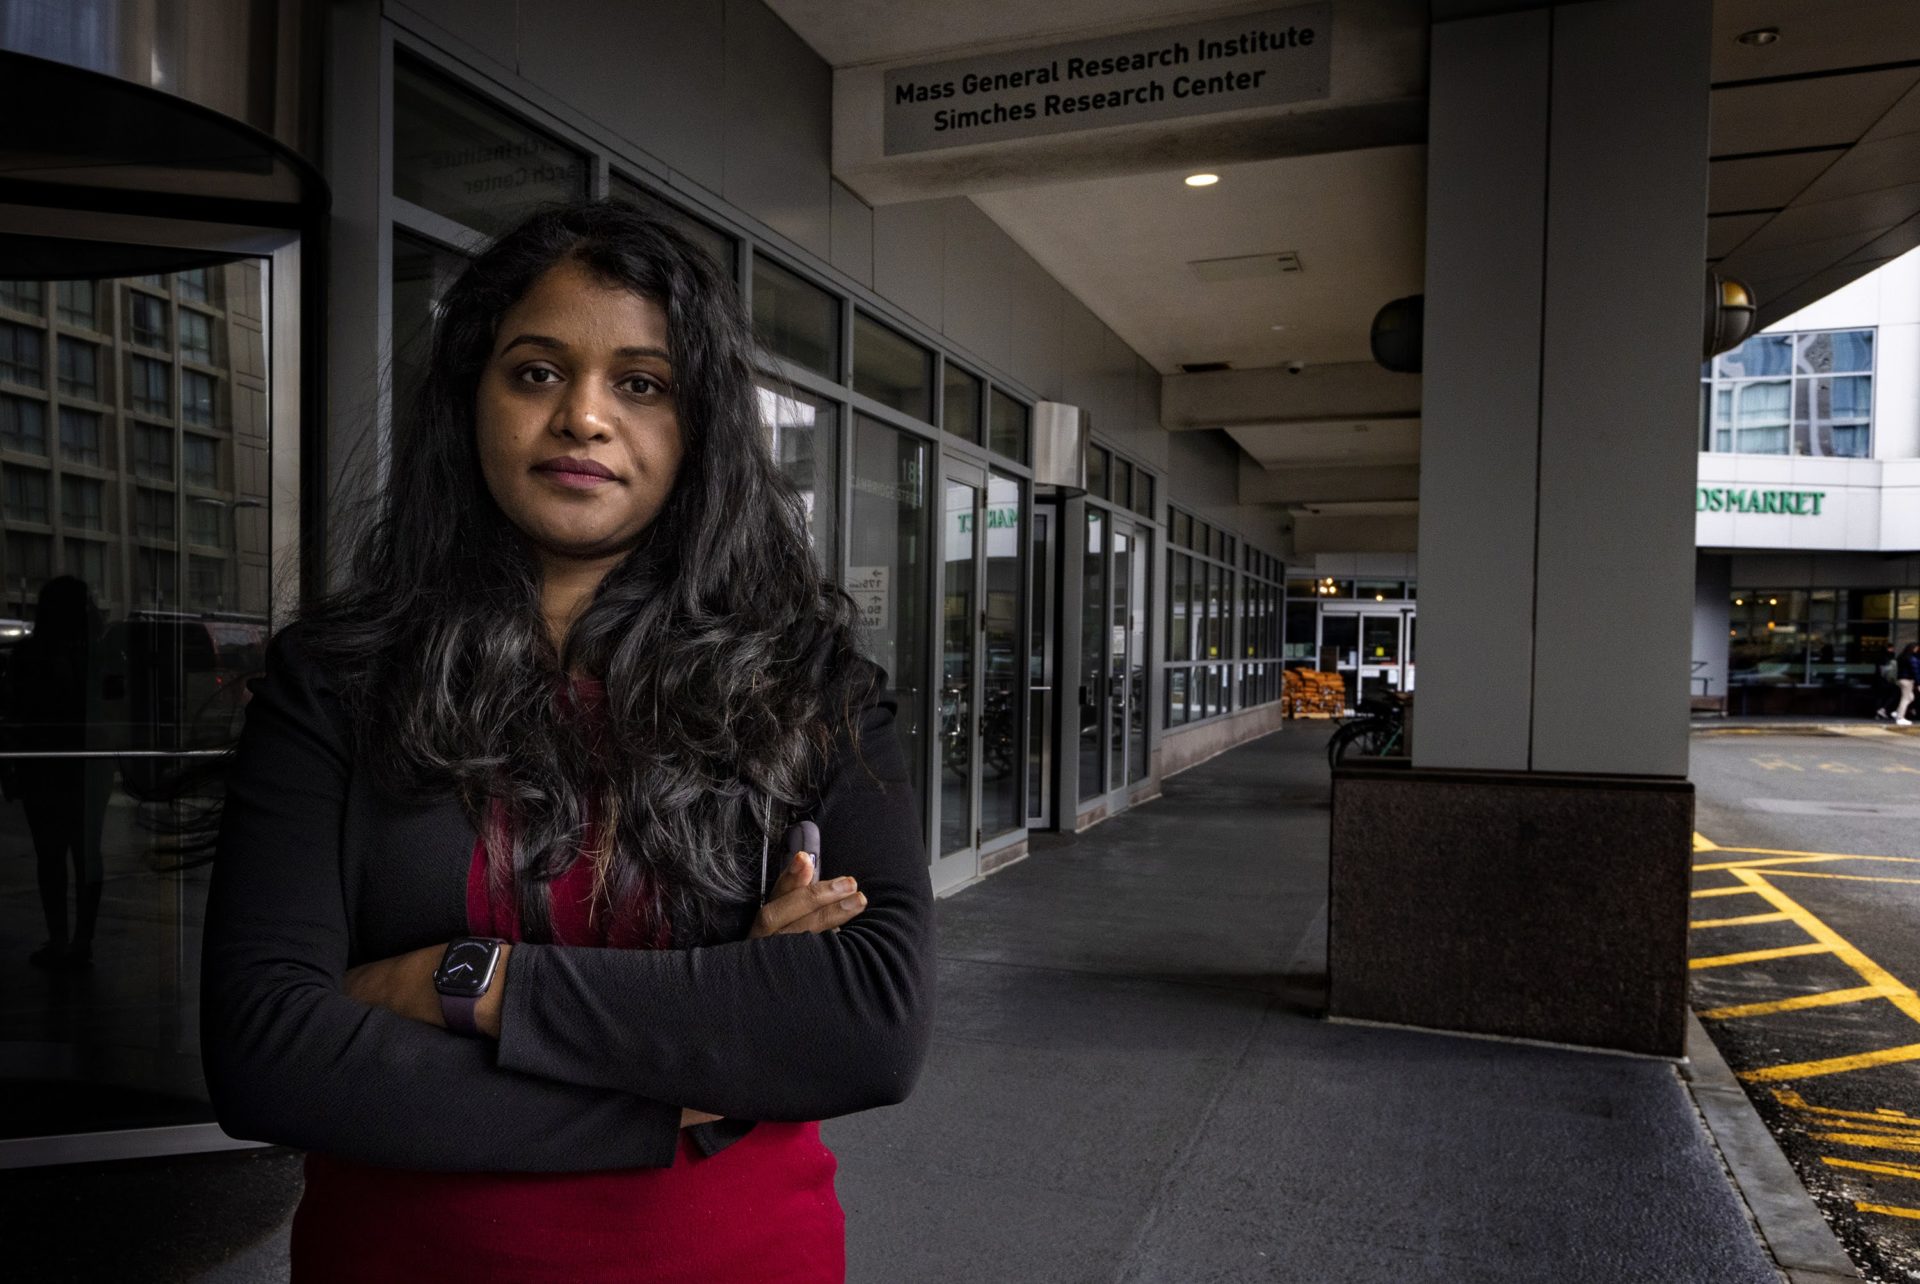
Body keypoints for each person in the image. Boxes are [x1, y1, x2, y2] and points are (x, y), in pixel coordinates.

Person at [200, 202, 934, 1283]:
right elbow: (269, 1058)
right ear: (473, 401)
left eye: (641, 383)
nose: (584, 417)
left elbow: (868, 1025)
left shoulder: (807, 688)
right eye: (537, 372)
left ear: (700, 427)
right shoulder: (337, 685)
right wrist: (694, 1080)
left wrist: (472, 983)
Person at [8, 576, 113, 970]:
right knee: (87, 852)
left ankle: (59, 937)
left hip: (45, 765)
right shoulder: (98, 654)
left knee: (49, 855)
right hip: (87, 764)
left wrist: (14, 768)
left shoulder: (28, 655)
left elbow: (18, 717)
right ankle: (81, 939)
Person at [1892, 642, 1920, 726]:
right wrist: (1918, 683)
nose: (1917, 650)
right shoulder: (1911, 659)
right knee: (1906, 698)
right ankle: (1900, 718)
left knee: (1910, 697)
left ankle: (1897, 713)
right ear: (1913, 648)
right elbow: (1915, 672)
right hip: (1907, 680)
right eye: (1916, 648)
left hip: (1901, 679)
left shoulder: (1901, 657)